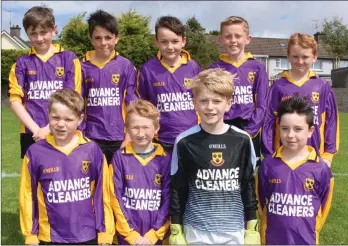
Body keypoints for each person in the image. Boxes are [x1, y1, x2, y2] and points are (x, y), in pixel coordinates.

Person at [169, 68, 259, 245]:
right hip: (196, 230)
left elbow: (248, 184)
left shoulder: (243, 140)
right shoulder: (184, 141)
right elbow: (177, 187)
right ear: (194, 103)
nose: (210, 107)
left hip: (233, 230)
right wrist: (176, 227)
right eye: (203, 101)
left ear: (228, 103)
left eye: (217, 101)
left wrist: (252, 225)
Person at [19, 88, 114, 245]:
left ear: (80, 119)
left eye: (68, 119)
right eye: (55, 117)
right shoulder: (35, 152)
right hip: (50, 236)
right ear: (48, 114)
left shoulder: (92, 150)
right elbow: (27, 195)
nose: (61, 124)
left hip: (87, 234)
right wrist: (30, 235)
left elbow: (103, 193)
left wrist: (105, 231)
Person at [257, 96, 334, 245]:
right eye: (285, 128)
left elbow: (323, 208)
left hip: (306, 241)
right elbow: (261, 204)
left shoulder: (321, 169)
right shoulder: (267, 166)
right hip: (273, 241)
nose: (290, 135)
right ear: (279, 128)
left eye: (298, 129)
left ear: (311, 131)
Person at [9, 6, 82, 159]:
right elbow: (15, 101)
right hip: (31, 132)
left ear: (54, 29)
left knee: (63, 178)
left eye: (44, 32)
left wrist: (49, 129)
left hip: (64, 130)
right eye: (33, 33)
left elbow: (72, 99)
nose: (39, 38)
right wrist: (37, 130)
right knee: (35, 180)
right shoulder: (21, 63)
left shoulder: (69, 59)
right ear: (26, 34)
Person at [261, 33, 339, 168]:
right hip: (283, 157)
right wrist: (269, 154)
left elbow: (331, 121)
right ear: (288, 57)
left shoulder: (322, 86)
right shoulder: (278, 86)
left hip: (315, 156)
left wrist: (328, 155)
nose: (300, 61)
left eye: (305, 57)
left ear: (314, 57)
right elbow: (269, 122)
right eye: (295, 56)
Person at [136, 16, 201, 154]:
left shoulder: (194, 67)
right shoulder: (148, 70)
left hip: (192, 136)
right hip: (162, 139)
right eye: (164, 42)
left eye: (175, 41)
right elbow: (142, 105)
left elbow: (201, 99)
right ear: (157, 42)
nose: (170, 47)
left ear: (183, 41)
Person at [109, 99, 171, 245]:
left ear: (156, 128)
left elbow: (168, 200)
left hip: (154, 237)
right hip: (128, 237)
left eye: (146, 127)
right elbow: (114, 196)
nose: (140, 133)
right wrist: (130, 235)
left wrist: (155, 234)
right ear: (126, 129)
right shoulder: (119, 157)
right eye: (135, 127)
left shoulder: (165, 159)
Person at [209, 16, 268, 167]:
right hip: (223, 127)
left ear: (248, 39)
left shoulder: (257, 67)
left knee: (249, 174)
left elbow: (262, 104)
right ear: (221, 39)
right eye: (228, 36)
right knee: (224, 170)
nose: (233, 40)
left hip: (249, 128)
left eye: (238, 36)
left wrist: (250, 131)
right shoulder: (214, 68)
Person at [82, 10, 137, 164]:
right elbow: (77, 104)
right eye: (98, 38)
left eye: (108, 37)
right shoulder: (81, 66)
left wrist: (129, 135)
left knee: (119, 183)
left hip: (119, 137)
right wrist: (81, 134)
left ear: (117, 38)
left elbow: (131, 102)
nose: (103, 42)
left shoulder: (125, 65)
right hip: (91, 136)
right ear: (91, 39)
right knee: (95, 183)